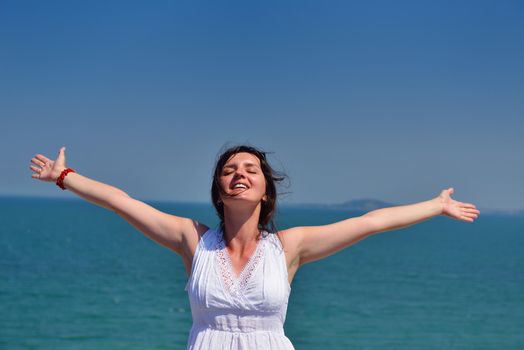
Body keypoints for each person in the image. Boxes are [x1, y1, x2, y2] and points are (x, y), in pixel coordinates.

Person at [30, 144, 480, 349]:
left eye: (250, 168)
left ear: (265, 190)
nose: (239, 173)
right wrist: (65, 178)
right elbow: (121, 202)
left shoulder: (289, 247)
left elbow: (370, 222)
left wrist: (435, 206)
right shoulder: (193, 240)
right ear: (219, 189)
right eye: (229, 169)